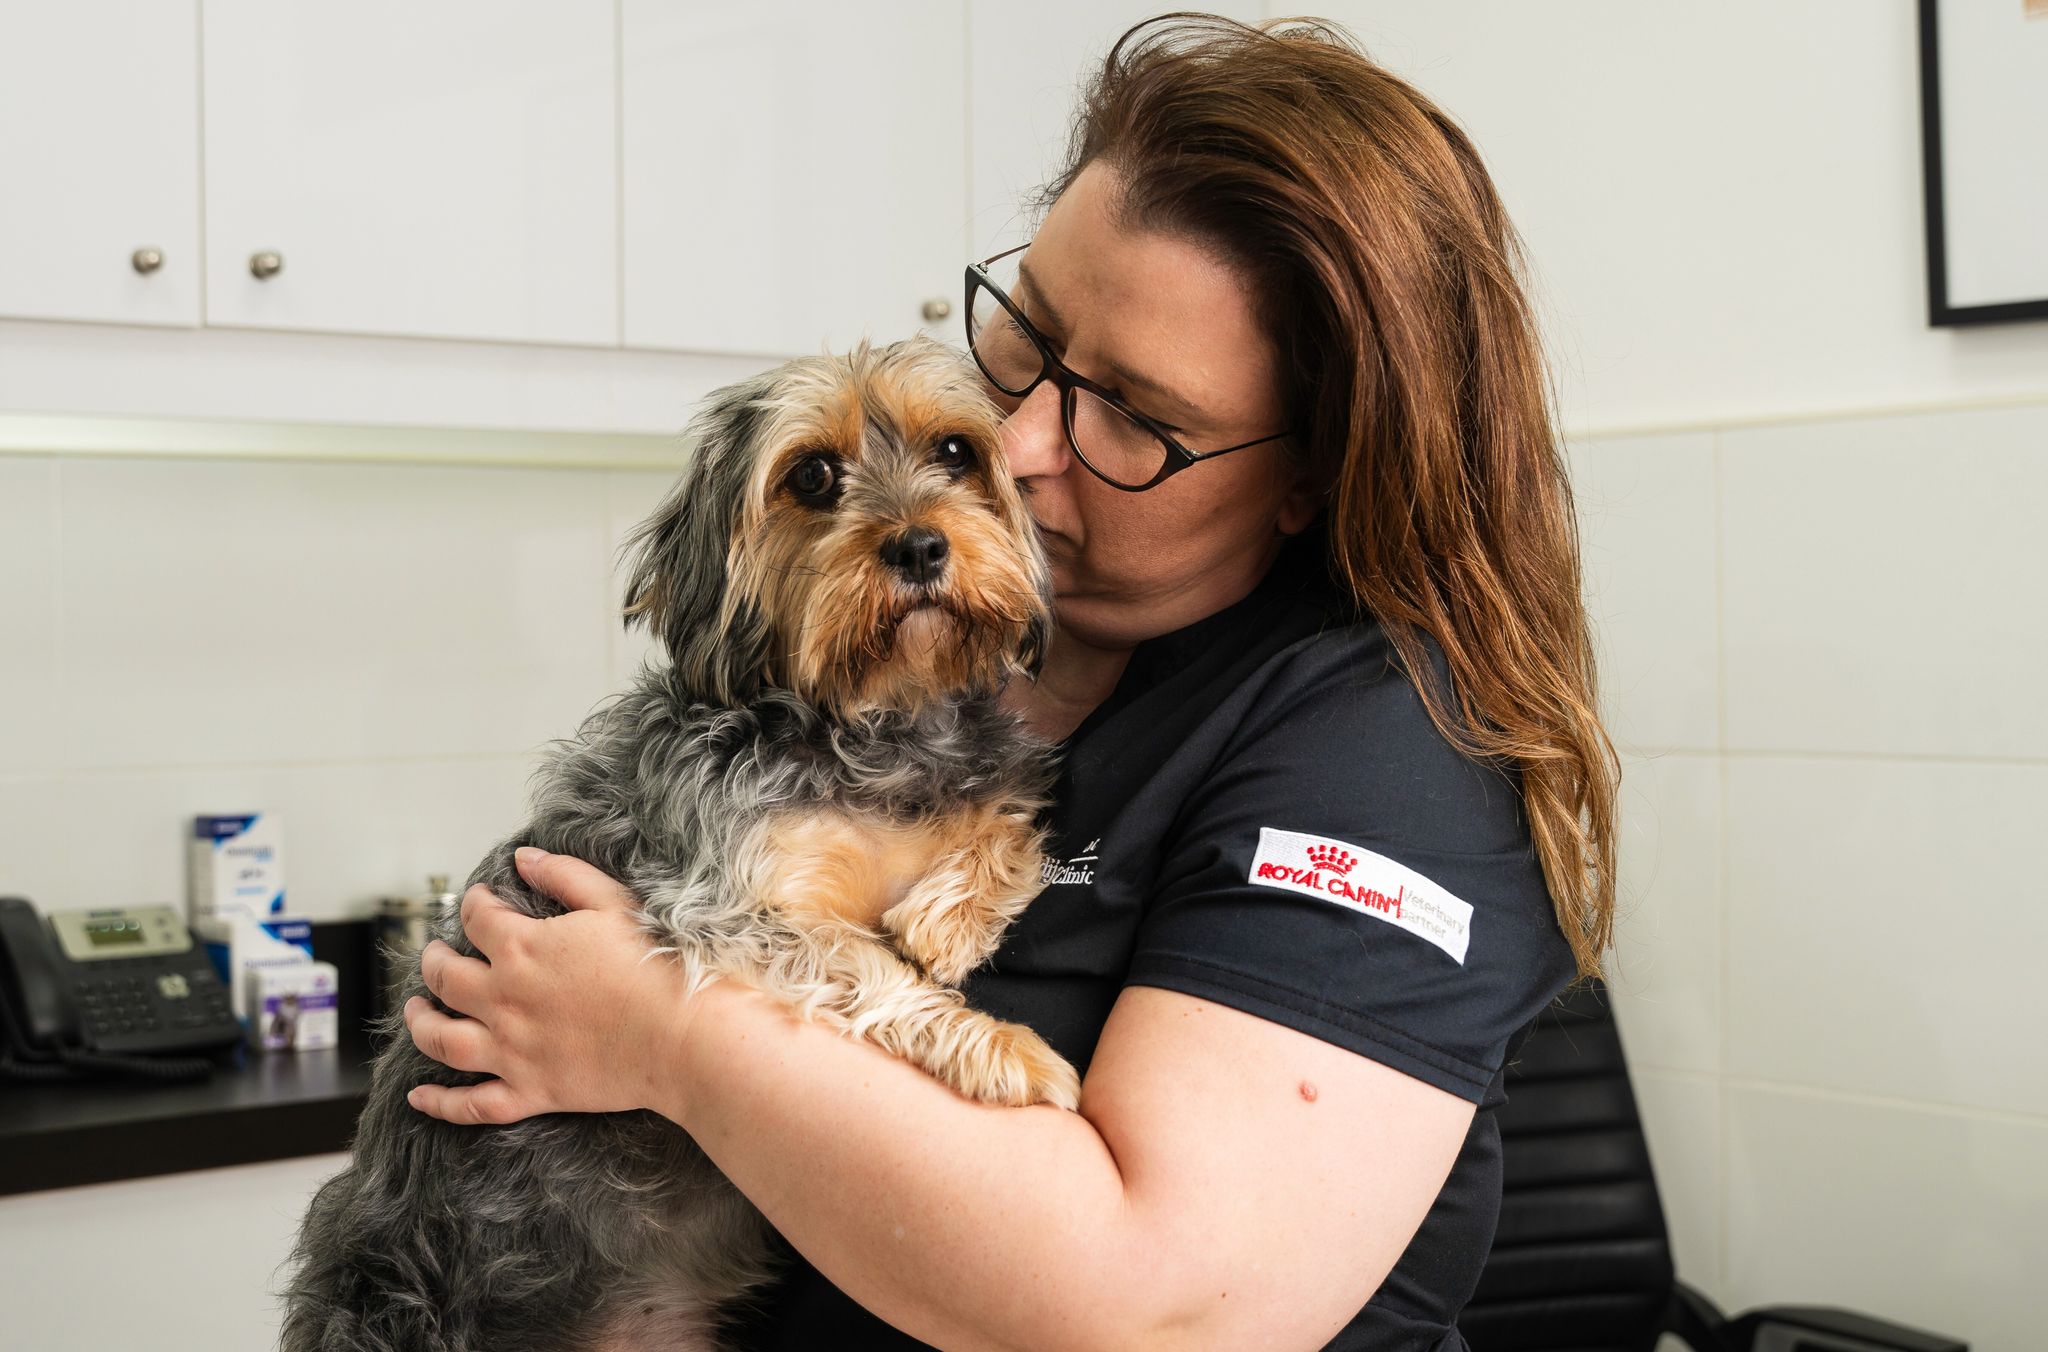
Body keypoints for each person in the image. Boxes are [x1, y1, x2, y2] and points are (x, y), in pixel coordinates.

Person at [401, 15, 1619, 1350]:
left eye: (1135, 418)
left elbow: (1158, 1311)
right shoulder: (935, 680)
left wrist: (665, 1036)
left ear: (1315, 475)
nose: (1022, 440)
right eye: (1025, 340)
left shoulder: (1381, 754)